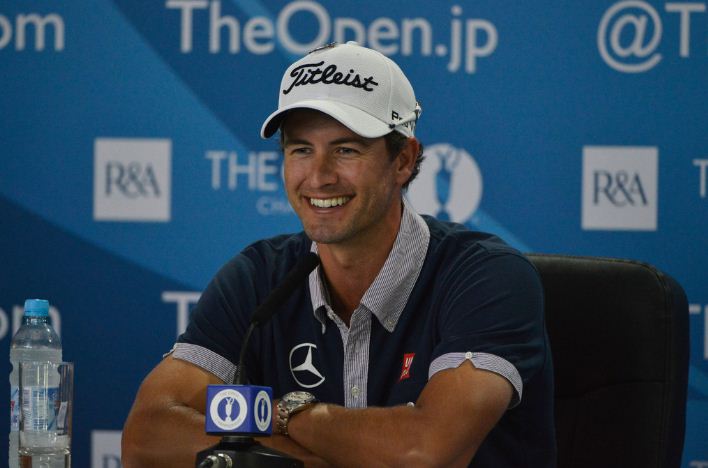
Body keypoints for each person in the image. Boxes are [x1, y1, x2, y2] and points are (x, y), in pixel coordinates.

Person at [122, 41, 556, 467]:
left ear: (404, 159)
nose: (320, 176)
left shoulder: (487, 277)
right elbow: (147, 437)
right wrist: (311, 460)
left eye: (346, 149)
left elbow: (423, 453)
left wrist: (286, 415)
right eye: (301, 150)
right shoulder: (257, 279)